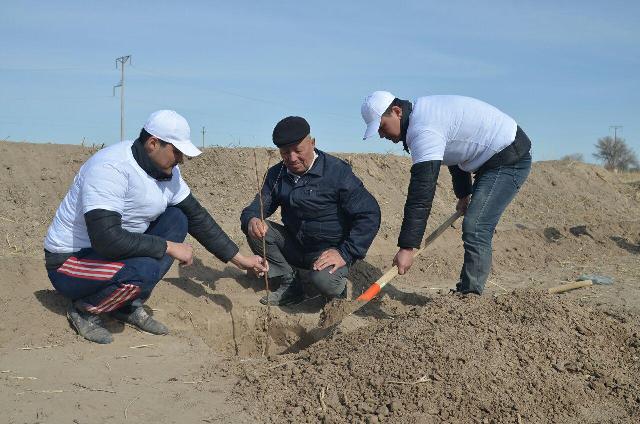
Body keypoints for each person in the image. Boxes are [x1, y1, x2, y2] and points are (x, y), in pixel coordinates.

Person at [44, 110, 267, 344]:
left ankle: (125, 305)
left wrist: (241, 260)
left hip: (112, 252)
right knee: (144, 269)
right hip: (71, 263)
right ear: (153, 143)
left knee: (178, 217)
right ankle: (85, 309)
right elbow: (106, 240)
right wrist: (167, 246)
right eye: (176, 152)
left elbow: (197, 217)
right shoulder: (110, 168)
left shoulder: (167, 173)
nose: (181, 159)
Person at [361, 91, 532, 295]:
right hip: (491, 159)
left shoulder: (423, 130)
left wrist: (407, 247)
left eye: (382, 126)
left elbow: (421, 194)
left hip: (509, 158)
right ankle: (467, 292)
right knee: (474, 224)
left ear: (397, 112)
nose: (382, 135)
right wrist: (464, 194)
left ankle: (470, 297)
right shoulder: (425, 115)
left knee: (476, 226)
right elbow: (454, 152)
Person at [241, 116, 381, 306]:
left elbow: (369, 214)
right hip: (296, 246)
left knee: (324, 281)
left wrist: (345, 252)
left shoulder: (336, 172)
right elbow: (257, 207)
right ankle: (290, 283)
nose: (292, 158)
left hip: (329, 250)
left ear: (312, 143)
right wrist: (251, 219)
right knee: (258, 230)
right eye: (285, 152)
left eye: (298, 151)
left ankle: (336, 290)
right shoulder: (277, 174)